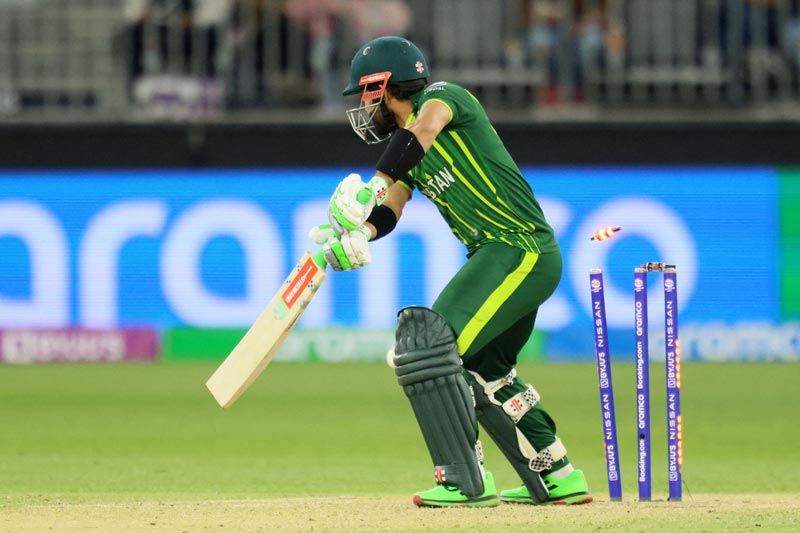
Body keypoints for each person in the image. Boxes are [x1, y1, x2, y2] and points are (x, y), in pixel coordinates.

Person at [310, 36, 592, 508]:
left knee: (427, 346)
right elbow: (391, 211)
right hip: (504, 256)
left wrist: (372, 184)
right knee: (486, 370)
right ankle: (557, 473)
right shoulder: (408, 156)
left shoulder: (443, 99)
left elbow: (423, 129)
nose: (361, 107)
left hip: (517, 248)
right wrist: (360, 236)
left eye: (364, 94)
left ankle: (464, 480)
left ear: (384, 84)